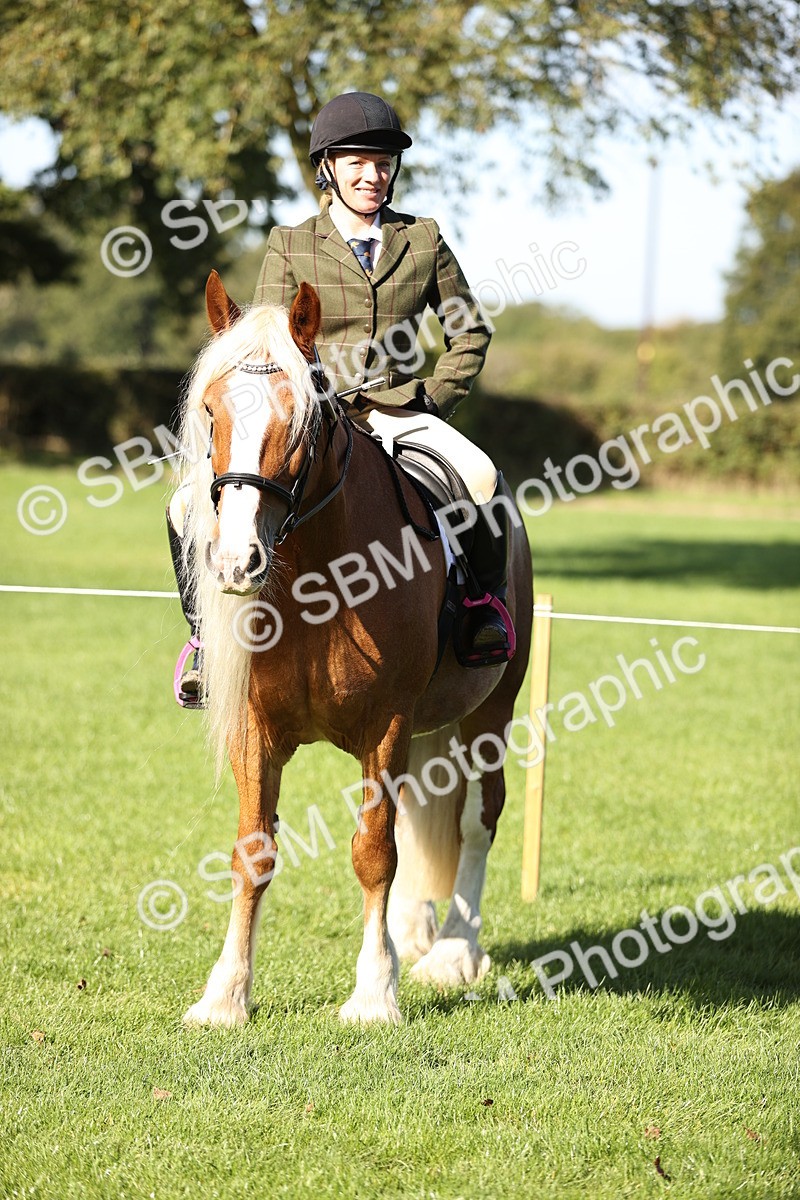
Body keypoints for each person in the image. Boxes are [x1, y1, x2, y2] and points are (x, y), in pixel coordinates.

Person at [170, 91, 513, 704]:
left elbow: (470, 330)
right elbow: (269, 336)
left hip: (399, 411)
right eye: (356, 161)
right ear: (327, 168)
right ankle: (203, 635)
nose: (371, 175)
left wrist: (433, 396)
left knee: (483, 478)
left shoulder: (424, 240)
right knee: (183, 505)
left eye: (381, 162)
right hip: (311, 419)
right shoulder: (290, 243)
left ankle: (479, 610)